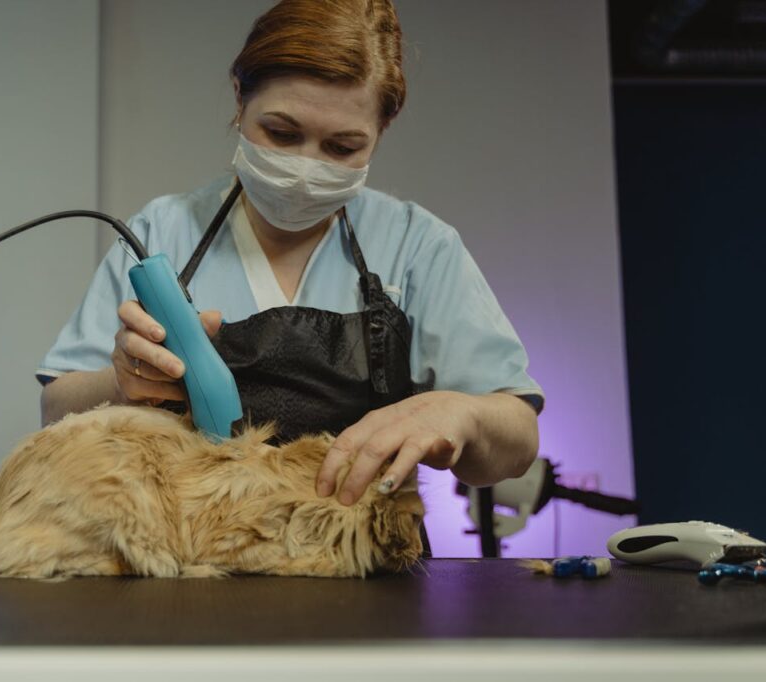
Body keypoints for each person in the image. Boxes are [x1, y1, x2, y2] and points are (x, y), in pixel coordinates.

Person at [36, 0, 543, 520]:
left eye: (342, 147)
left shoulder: (416, 245)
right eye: (281, 133)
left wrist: (465, 414)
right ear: (240, 97)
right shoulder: (161, 233)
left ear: (381, 131)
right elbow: (56, 410)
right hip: (190, 567)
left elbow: (518, 441)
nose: (305, 168)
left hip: (365, 570)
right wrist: (121, 385)